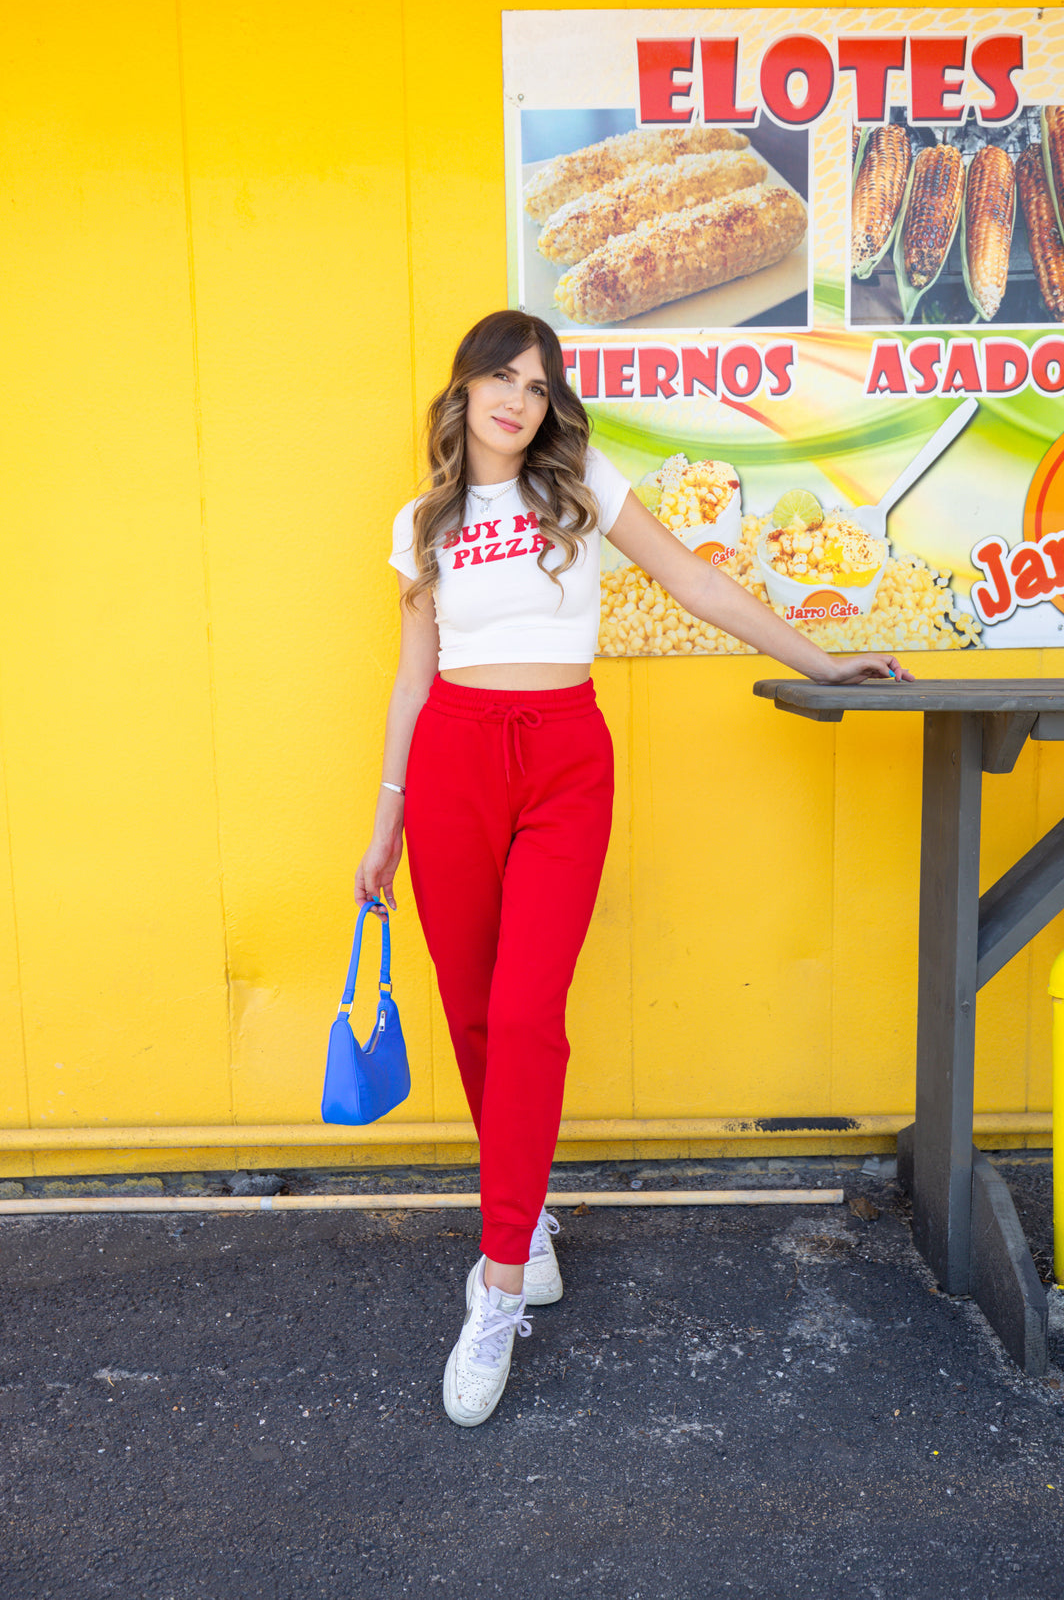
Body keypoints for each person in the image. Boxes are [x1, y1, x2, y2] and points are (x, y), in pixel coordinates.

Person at [355, 309, 913, 1428]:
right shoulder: (422, 524)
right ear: (462, 391)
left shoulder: (583, 490)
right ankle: (529, 1217)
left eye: (536, 383)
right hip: (455, 762)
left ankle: (498, 1283)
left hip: (563, 761)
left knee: (523, 1016)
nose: (516, 398)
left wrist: (822, 656)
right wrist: (386, 821)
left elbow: (699, 585)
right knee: (470, 1015)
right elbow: (413, 679)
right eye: (498, 378)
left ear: (553, 404)